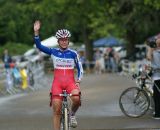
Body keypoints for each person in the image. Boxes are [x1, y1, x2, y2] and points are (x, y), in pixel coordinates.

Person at [33, 20, 83, 130]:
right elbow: (39, 46)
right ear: (58, 41)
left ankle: (72, 115)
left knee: (76, 98)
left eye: (66, 40)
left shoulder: (73, 53)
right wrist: (36, 33)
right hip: (57, 84)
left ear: (68, 41)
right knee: (56, 108)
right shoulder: (53, 52)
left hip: (70, 82)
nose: (64, 42)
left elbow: (80, 68)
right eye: (62, 40)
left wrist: (78, 81)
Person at [147, 38, 160, 119]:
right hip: (157, 76)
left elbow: (148, 58)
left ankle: (158, 114)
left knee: (157, 96)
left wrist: (150, 49)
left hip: (158, 77)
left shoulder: (155, 53)